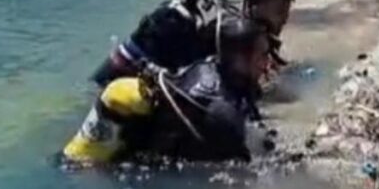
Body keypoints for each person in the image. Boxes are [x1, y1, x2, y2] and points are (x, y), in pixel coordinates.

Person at [61, 16, 271, 166]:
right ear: (239, 59)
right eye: (262, 55)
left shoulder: (207, 67)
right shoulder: (220, 113)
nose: (267, 63)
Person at [90, 0, 294, 88]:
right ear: (256, 7)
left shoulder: (236, 26)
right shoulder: (238, 34)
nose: (284, 18)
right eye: (279, 11)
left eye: (286, 12)